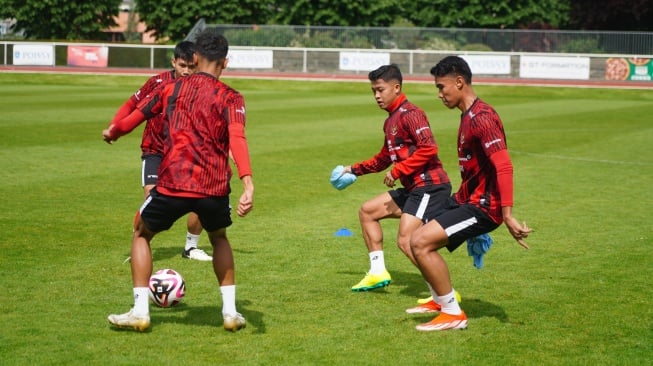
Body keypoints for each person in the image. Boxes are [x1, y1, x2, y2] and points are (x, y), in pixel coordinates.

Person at [105, 30, 254, 332]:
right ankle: (229, 313)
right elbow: (237, 138)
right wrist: (247, 182)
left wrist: (115, 131)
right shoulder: (232, 97)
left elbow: (135, 117)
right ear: (225, 62)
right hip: (213, 188)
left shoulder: (169, 89)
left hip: (172, 182)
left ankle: (140, 311)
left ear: (195, 57)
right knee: (219, 238)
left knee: (141, 234)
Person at [407, 56, 532, 331]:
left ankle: (453, 313)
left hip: (486, 207)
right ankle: (441, 300)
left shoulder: (483, 118)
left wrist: (507, 215)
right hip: (468, 199)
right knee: (411, 236)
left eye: (442, 87)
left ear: (460, 82)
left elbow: (504, 165)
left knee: (420, 242)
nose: (440, 94)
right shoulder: (468, 116)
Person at [341, 64, 453, 297]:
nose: (376, 96)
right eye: (373, 91)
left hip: (430, 186)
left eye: (380, 90)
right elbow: (384, 158)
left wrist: (398, 170)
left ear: (396, 87)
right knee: (367, 211)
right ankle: (378, 272)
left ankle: (443, 294)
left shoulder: (411, 113)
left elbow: (429, 148)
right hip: (415, 189)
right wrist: (353, 170)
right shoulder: (391, 120)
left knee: (407, 240)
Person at [107, 40, 212, 262]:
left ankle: (191, 248)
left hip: (185, 154)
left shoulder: (201, 88)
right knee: (151, 200)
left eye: (192, 66)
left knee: (201, 196)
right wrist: (114, 126)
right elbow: (130, 106)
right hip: (155, 150)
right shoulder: (157, 83)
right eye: (182, 65)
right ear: (173, 62)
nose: (186, 71)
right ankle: (140, 242)